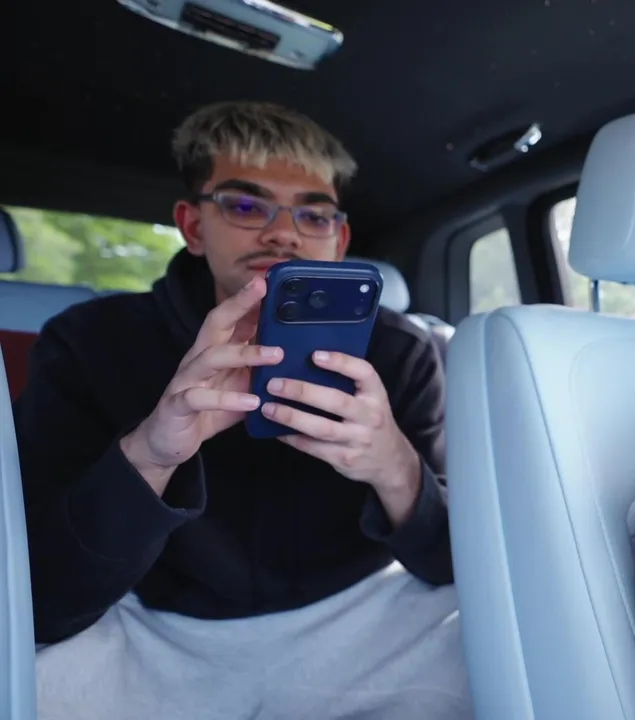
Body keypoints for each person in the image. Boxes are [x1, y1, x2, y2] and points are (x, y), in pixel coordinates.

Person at [17, 101, 471, 718]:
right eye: (246, 206)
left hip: (365, 615)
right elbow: (44, 598)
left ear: (338, 240)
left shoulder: (402, 352)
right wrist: (150, 455)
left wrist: (395, 465)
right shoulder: (87, 342)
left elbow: (447, 564)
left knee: (505, 641)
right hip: (153, 627)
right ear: (193, 226)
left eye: (314, 215)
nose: (284, 234)